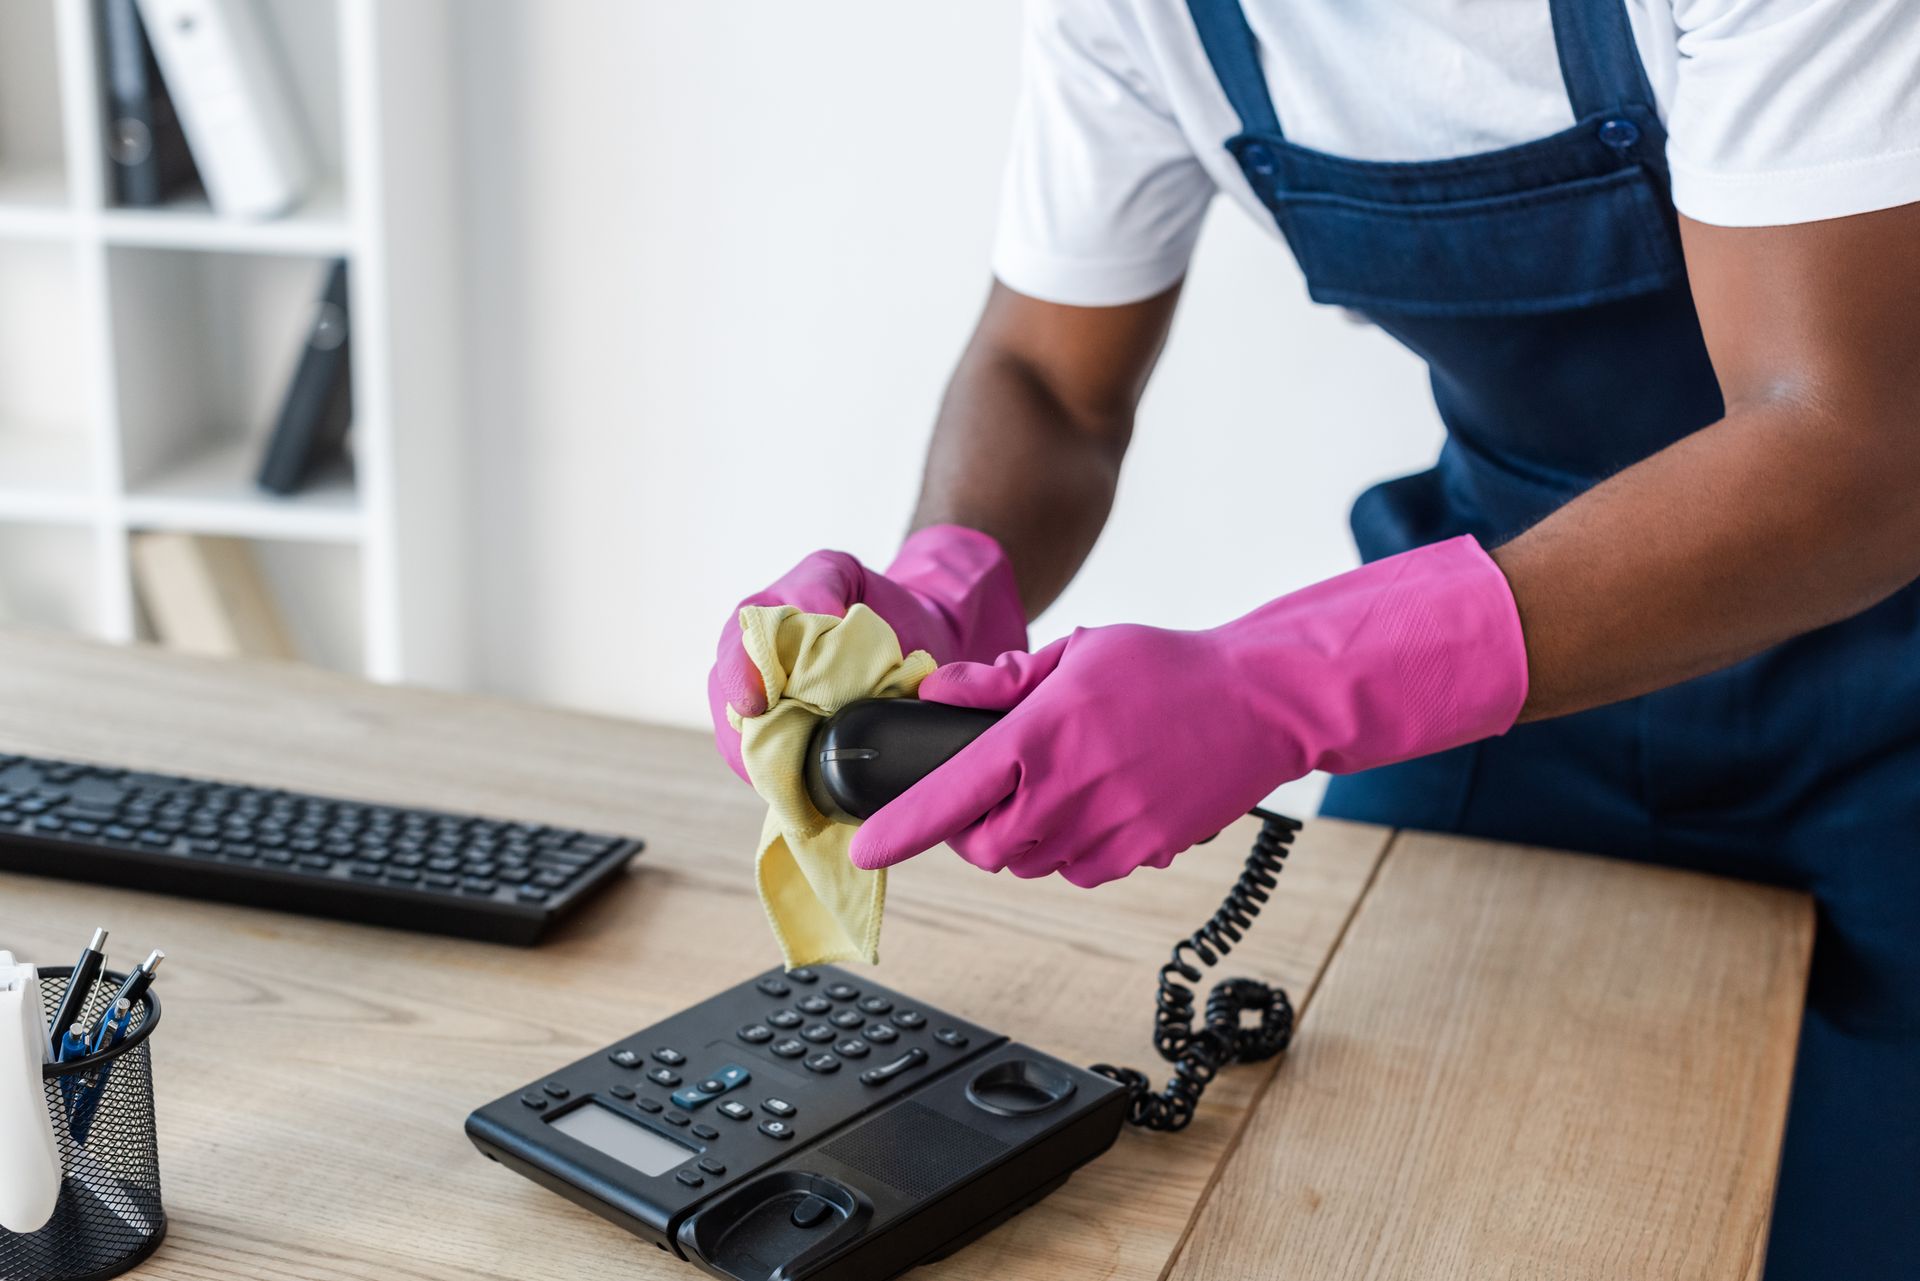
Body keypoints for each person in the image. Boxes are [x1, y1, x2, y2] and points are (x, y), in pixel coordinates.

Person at [707, 2, 1920, 1274]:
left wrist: (1282, 686)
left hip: (1883, 690)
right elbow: (1052, 382)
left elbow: (1849, 452)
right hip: (1500, 692)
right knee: (1367, 1199)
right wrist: (941, 583)